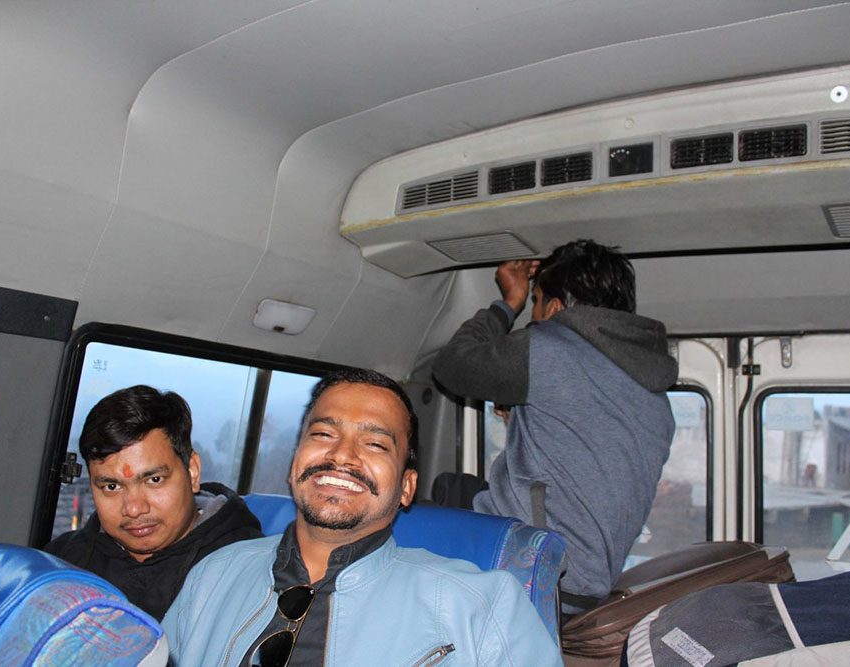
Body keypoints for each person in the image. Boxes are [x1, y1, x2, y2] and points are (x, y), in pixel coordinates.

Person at [162, 368, 561, 667]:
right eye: (323, 434)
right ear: (294, 462)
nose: (342, 455)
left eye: (374, 443)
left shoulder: (484, 608)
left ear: (406, 487)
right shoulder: (212, 577)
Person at [432, 239, 679, 613]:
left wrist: (509, 302)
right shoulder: (655, 396)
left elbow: (453, 365)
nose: (532, 314)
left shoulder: (550, 344)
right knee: (454, 487)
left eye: (536, 302)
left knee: (405, 516)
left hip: (538, 571)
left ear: (556, 308)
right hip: (585, 583)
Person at [44, 385, 264, 620]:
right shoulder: (61, 562)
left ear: (192, 472)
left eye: (154, 480)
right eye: (112, 487)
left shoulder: (249, 571)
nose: (134, 509)